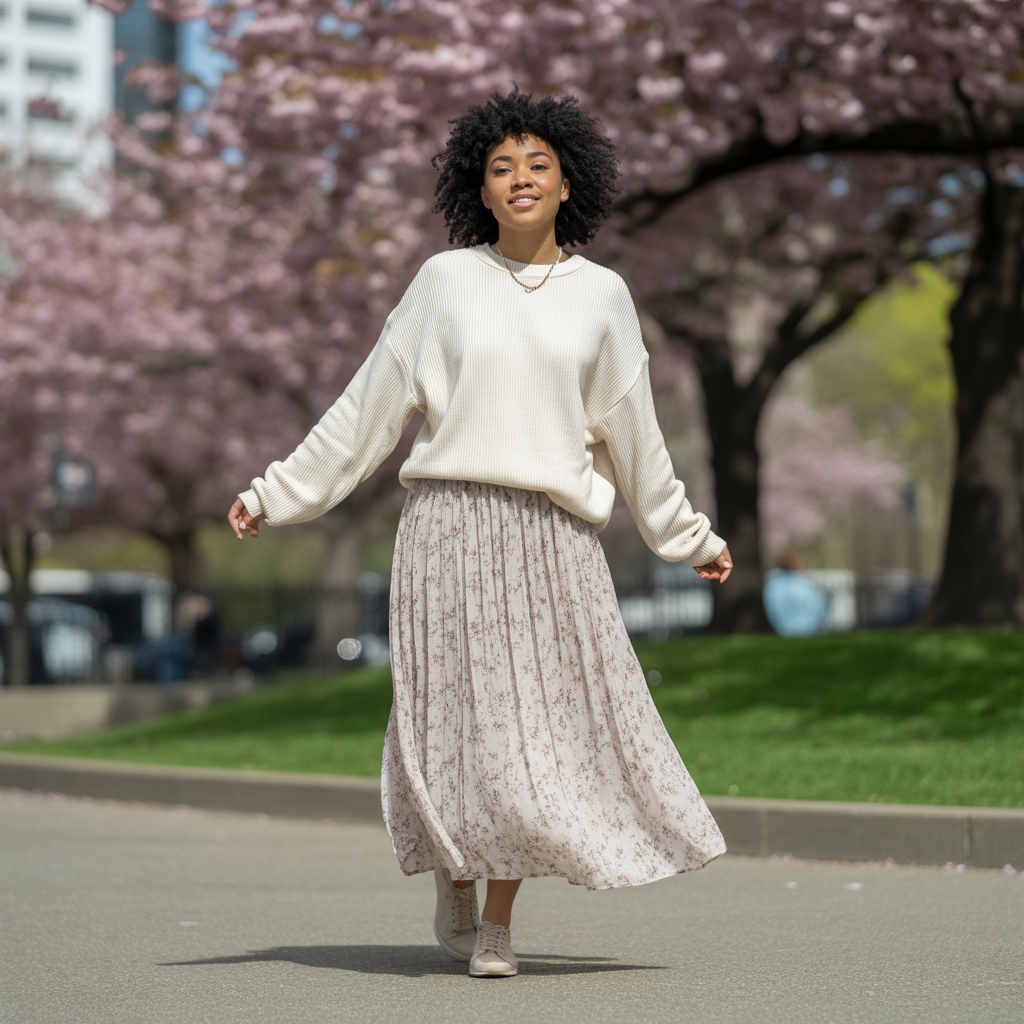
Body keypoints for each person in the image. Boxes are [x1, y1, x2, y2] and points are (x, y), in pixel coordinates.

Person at [228, 88, 733, 979]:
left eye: (538, 164)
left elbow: (633, 435)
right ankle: (458, 866)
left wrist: (689, 536)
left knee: (530, 735)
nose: (521, 178)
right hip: (447, 531)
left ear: (569, 182)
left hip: (552, 543)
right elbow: (369, 410)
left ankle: (496, 922)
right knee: (460, 727)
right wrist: (276, 492)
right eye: (502, 168)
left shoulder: (604, 297)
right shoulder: (444, 281)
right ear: (481, 190)